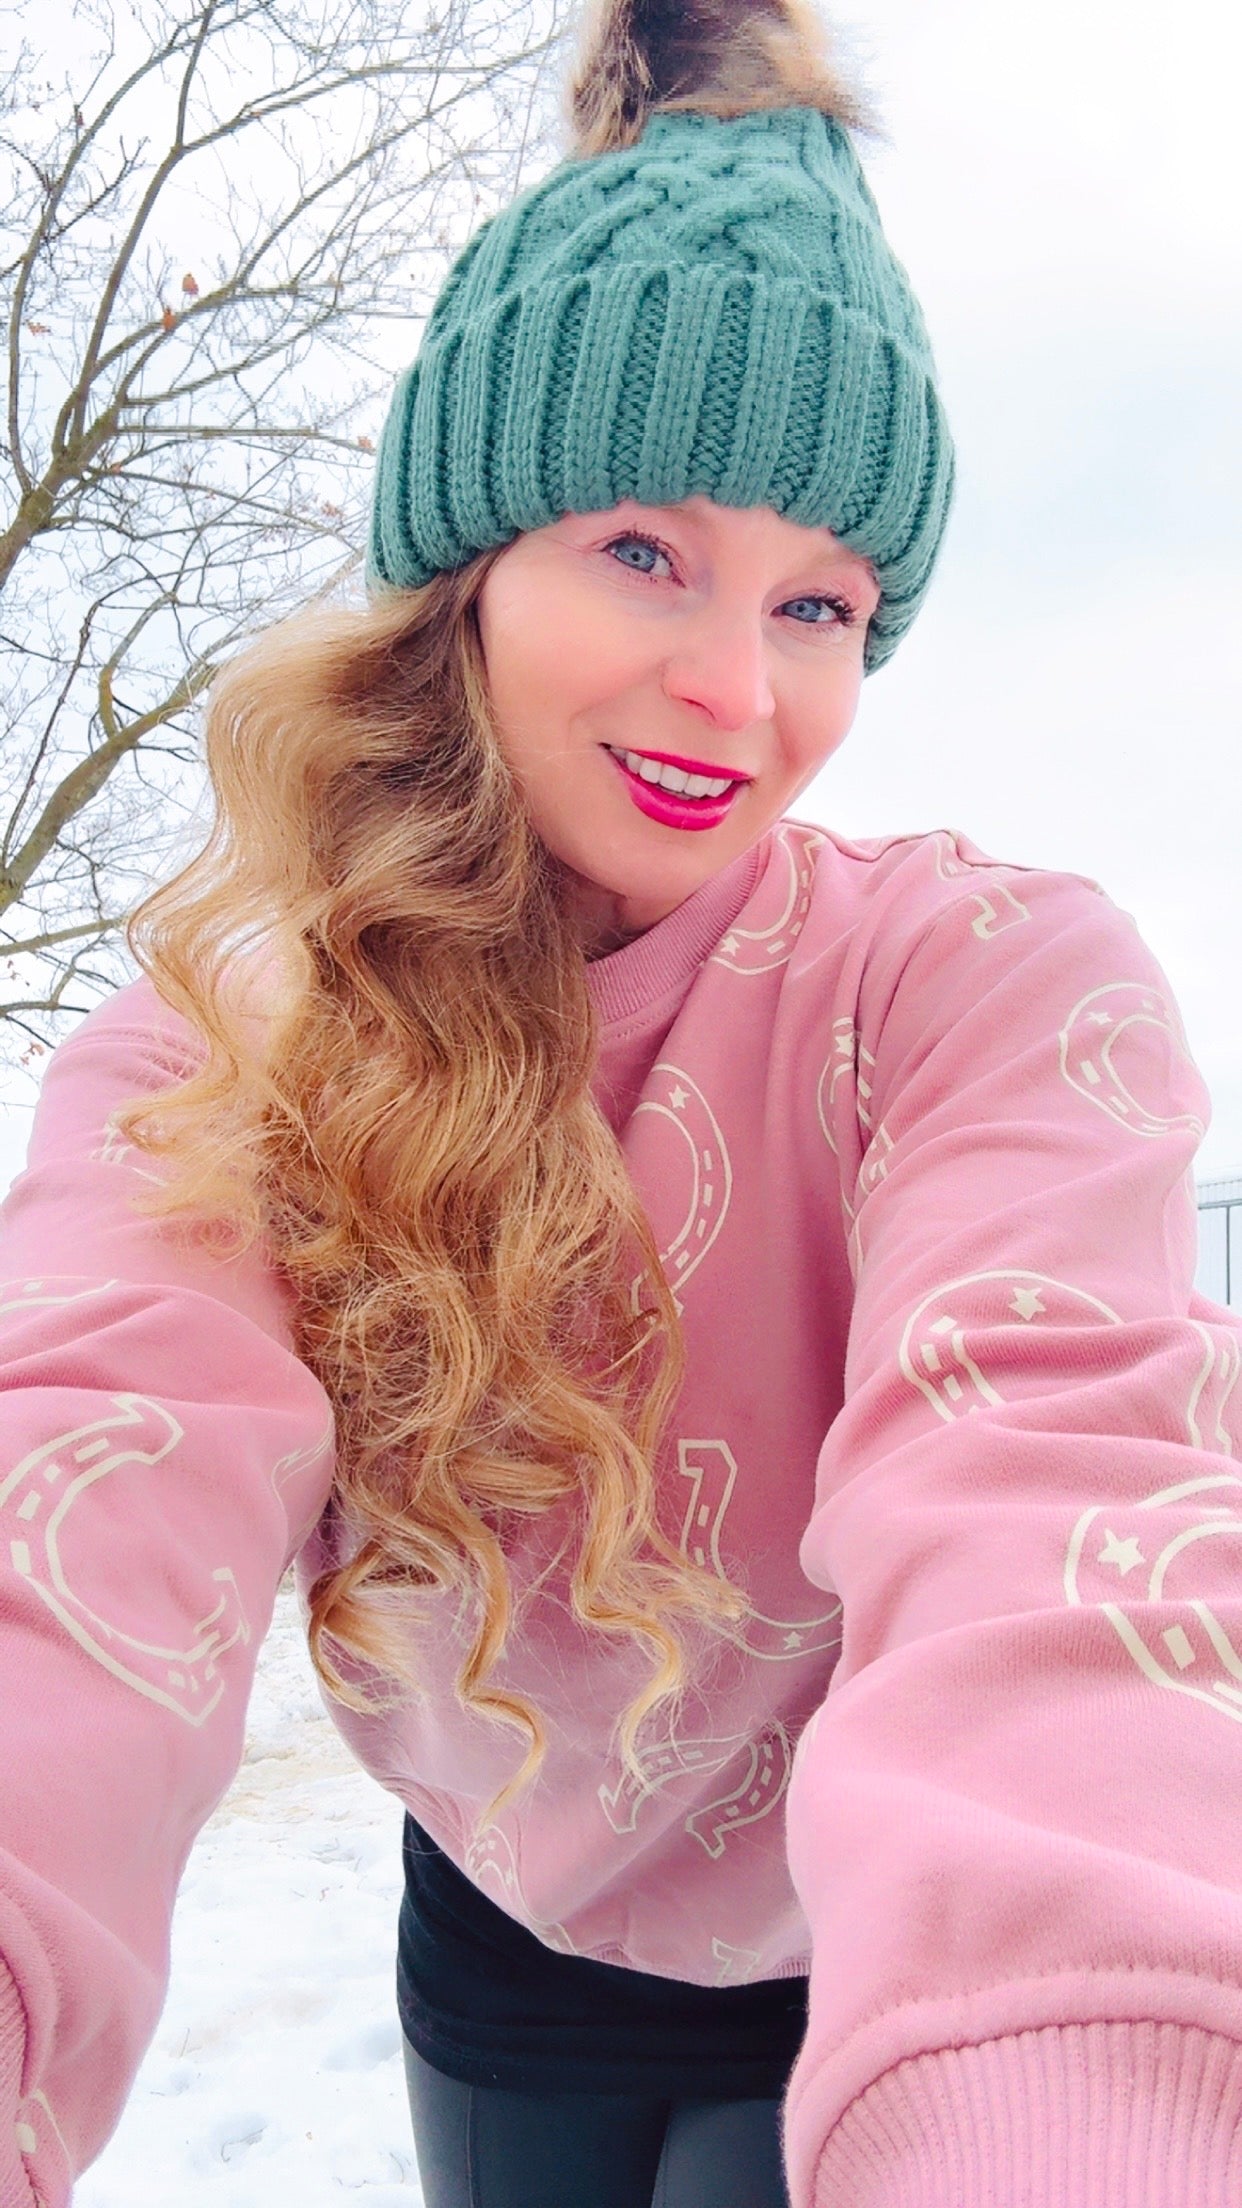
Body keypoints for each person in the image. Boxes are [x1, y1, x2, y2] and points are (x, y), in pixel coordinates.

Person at [3, 0, 1242, 2201]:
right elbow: (77, 1505)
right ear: (472, 563)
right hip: (507, 1945)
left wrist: (1087, 2099)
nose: (738, 689)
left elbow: (1061, 1517)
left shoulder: (977, 988)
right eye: (647, 555)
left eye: (822, 601)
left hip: (883, 1961)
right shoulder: (227, 1051)